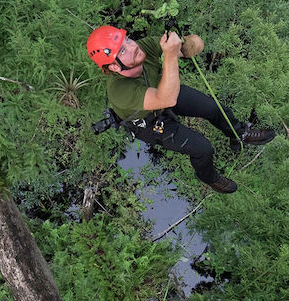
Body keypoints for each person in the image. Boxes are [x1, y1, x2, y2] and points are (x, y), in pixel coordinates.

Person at [86, 25, 275, 194]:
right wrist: (169, 55)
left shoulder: (142, 48)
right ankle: (208, 177)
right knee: (202, 148)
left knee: (213, 107)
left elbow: (196, 46)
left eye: (127, 39)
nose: (133, 47)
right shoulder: (119, 90)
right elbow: (165, 98)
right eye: (123, 50)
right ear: (113, 66)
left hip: (165, 89)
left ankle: (238, 133)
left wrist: (183, 44)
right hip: (149, 122)